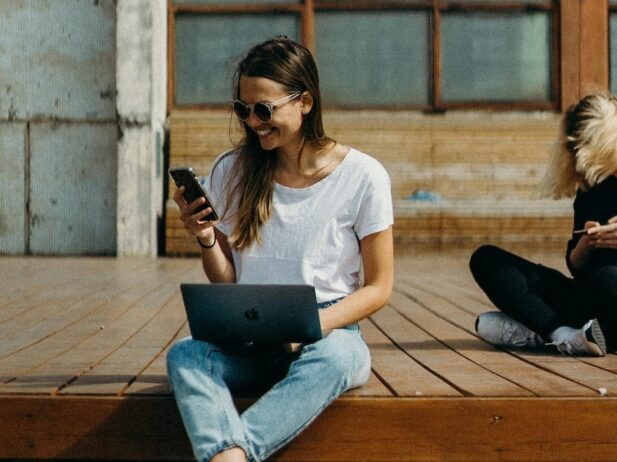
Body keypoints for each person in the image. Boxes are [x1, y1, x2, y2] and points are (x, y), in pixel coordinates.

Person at [166, 37, 393, 462]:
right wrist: (206, 238)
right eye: (243, 109)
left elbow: (379, 287)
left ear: (304, 101)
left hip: (329, 331)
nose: (253, 122)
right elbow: (228, 280)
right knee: (187, 354)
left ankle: (233, 455)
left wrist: (309, 326)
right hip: (253, 336)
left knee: (340, 358)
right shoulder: (232, 170)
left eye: (265, 110)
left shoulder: (363, 176)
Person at [469, 93, 617, 357]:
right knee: (486, 259)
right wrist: (583, 248)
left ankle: (538, 333)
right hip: (590, 301)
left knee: (608, 279)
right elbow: (577, 269)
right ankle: (564, 335)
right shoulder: (591, 186)